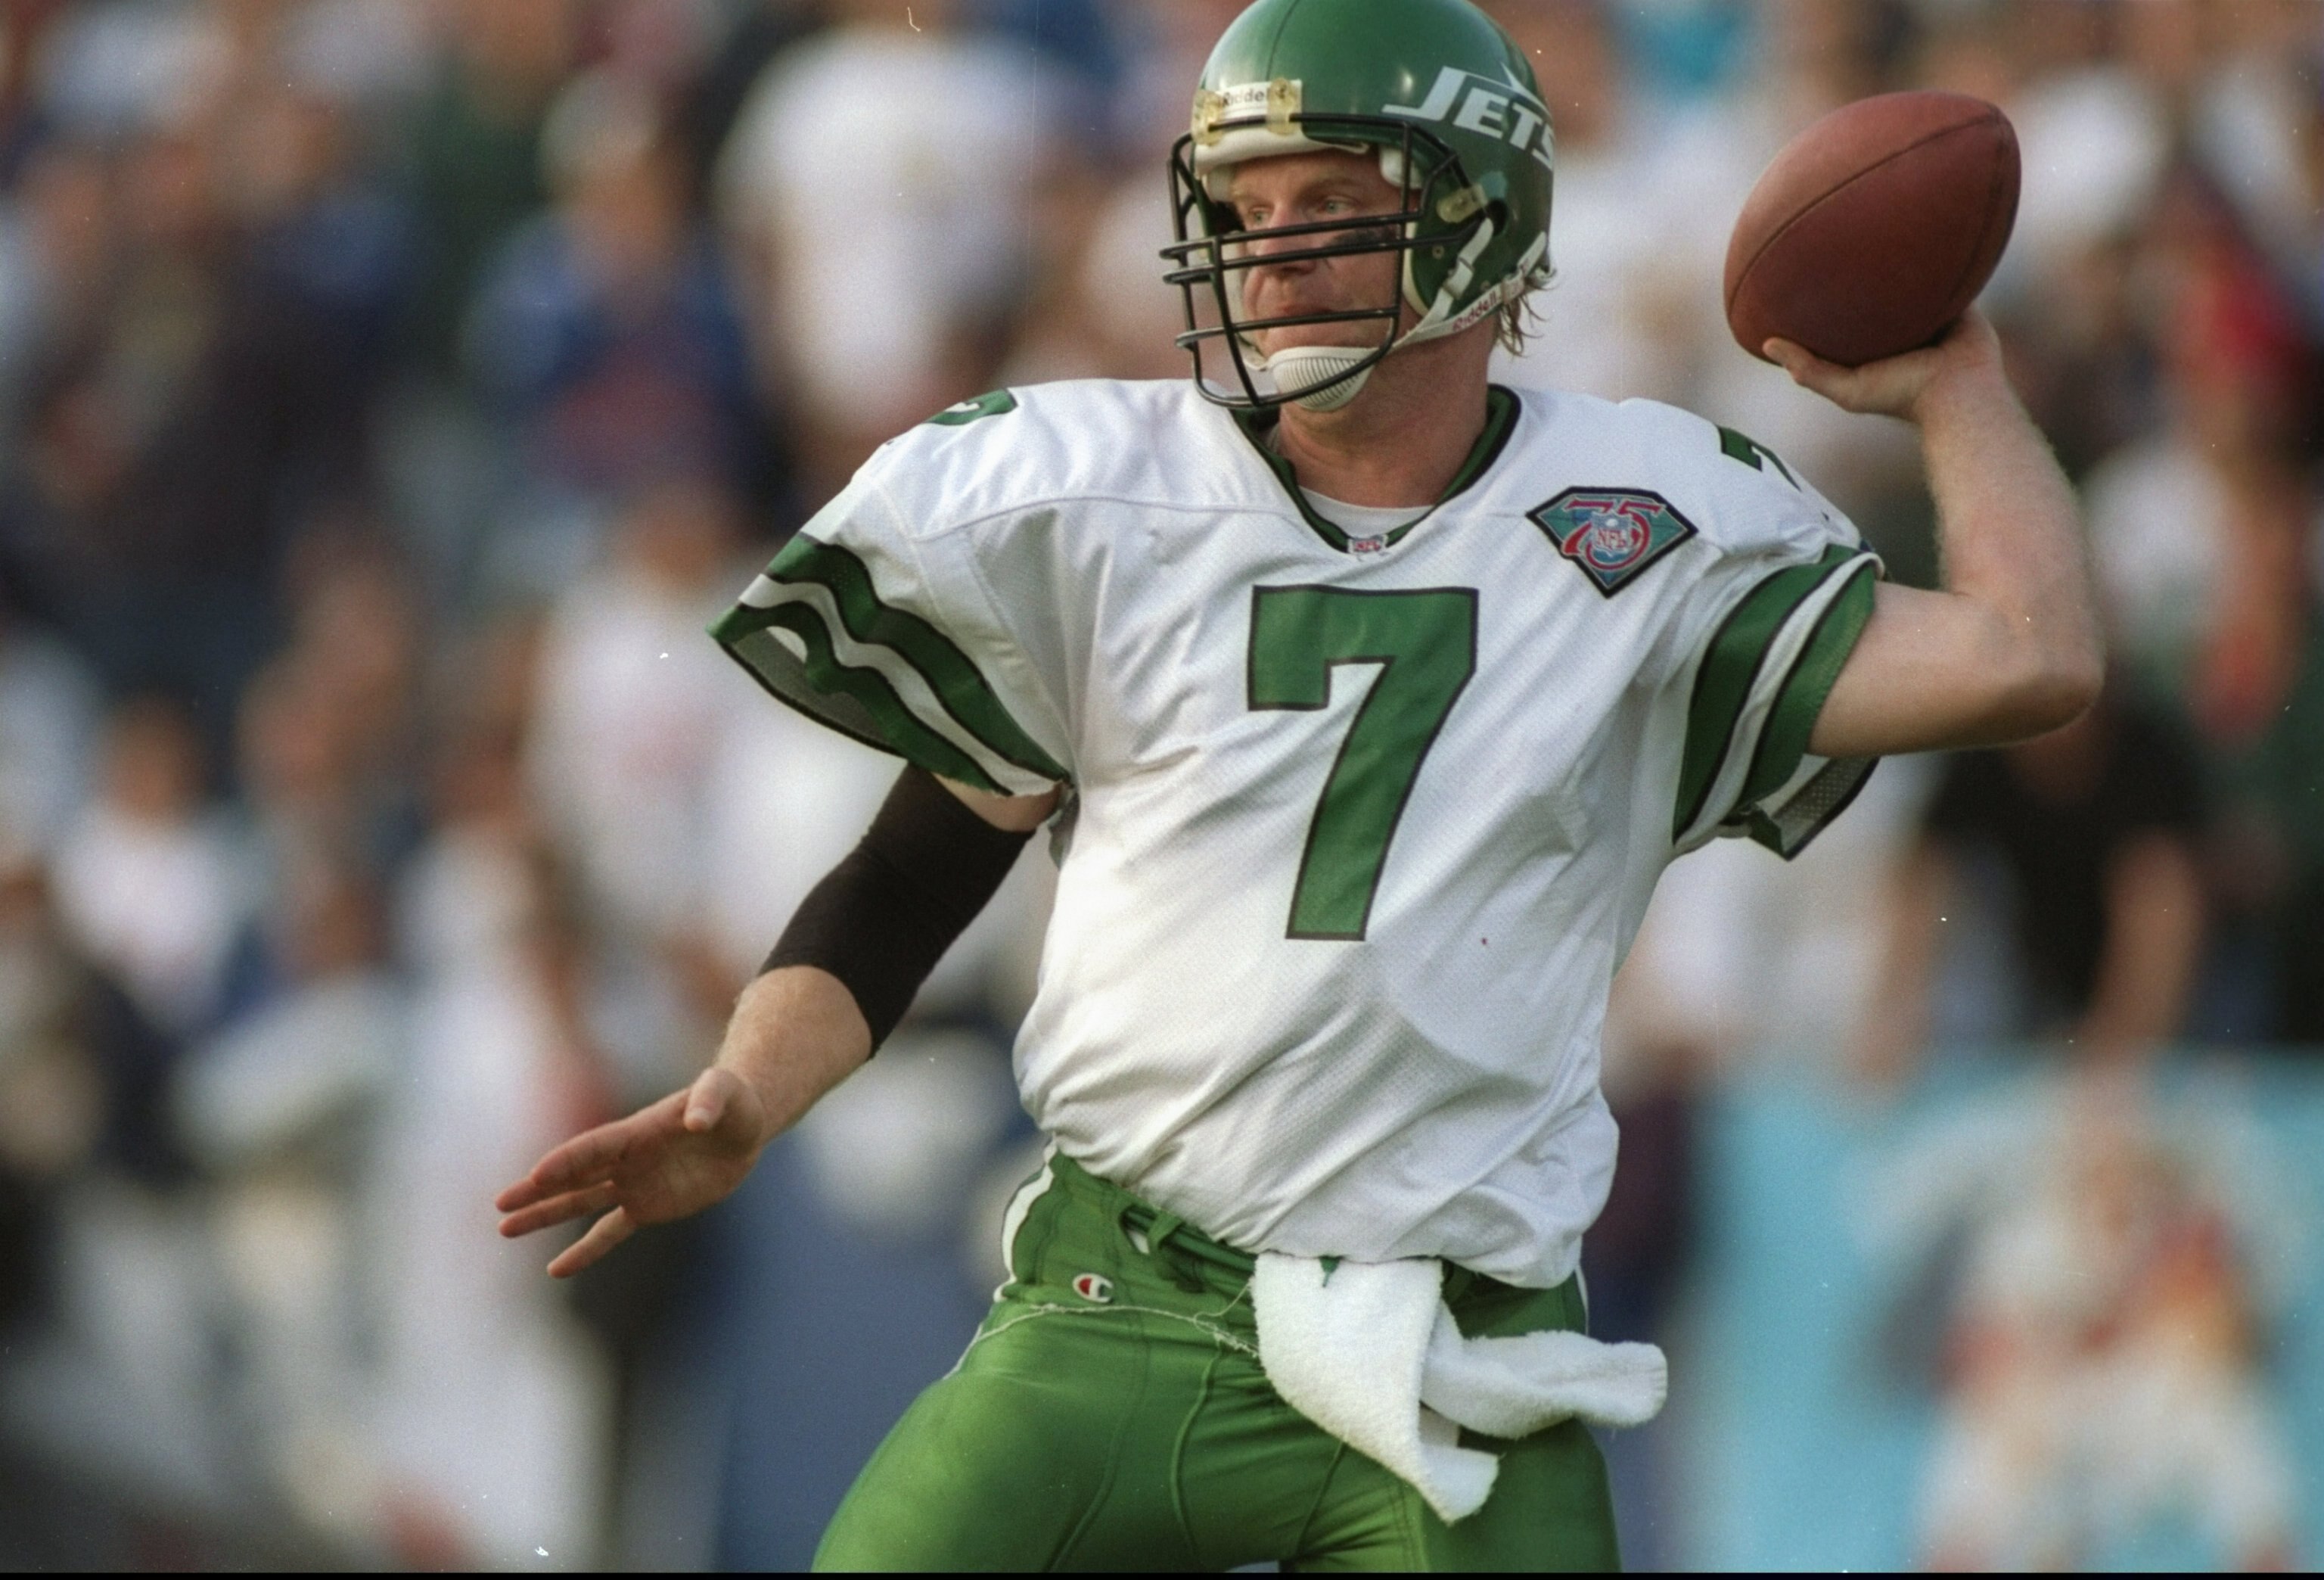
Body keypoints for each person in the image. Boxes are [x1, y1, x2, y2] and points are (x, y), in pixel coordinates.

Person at [497, 0, 2102, 1568]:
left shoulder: (1644, 522)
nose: (1266, 252)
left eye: (1325, 203)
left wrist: (1955, 384)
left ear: (1475, 220)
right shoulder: (1106, 502)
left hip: (1456, 1347)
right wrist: (744, 1094)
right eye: (1243, 208)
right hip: (1119, 1304)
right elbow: (911, 876)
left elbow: (2031, 656)